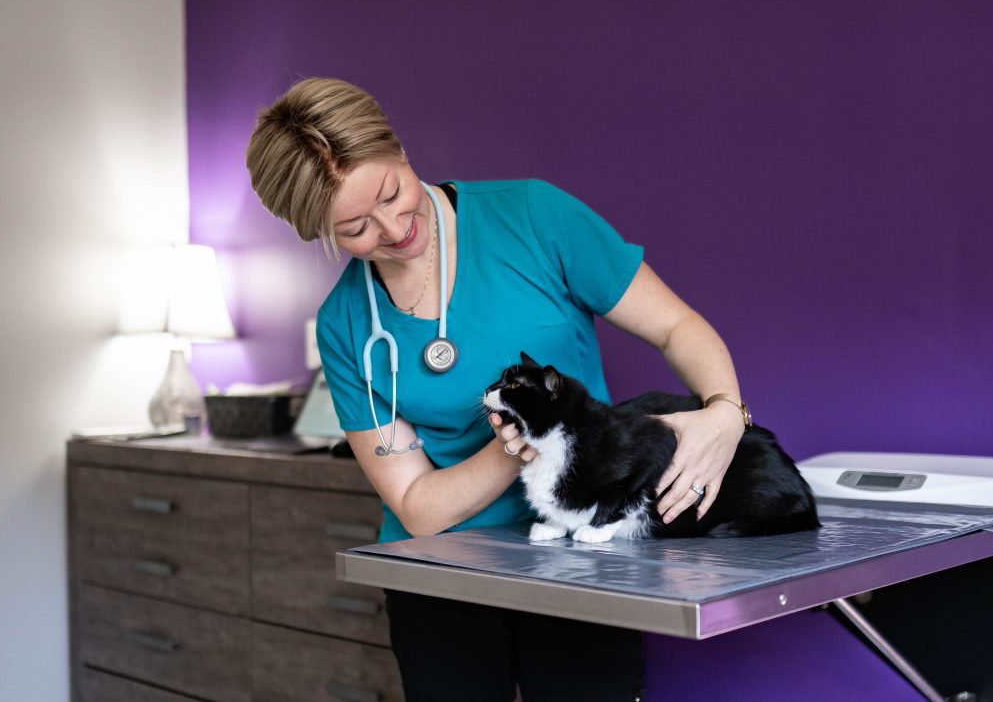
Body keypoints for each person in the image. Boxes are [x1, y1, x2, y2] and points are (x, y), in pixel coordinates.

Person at [245, 77, 749, 702]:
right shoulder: (347, 324)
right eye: (354, 228)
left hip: (581, 559)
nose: (393, 229)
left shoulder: (535, 218)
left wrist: (725, 413)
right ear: (317, 233)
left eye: (391, 192)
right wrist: (518, 443)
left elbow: (679, 328)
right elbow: (419, 507)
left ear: (398, 147)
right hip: (441, 580)